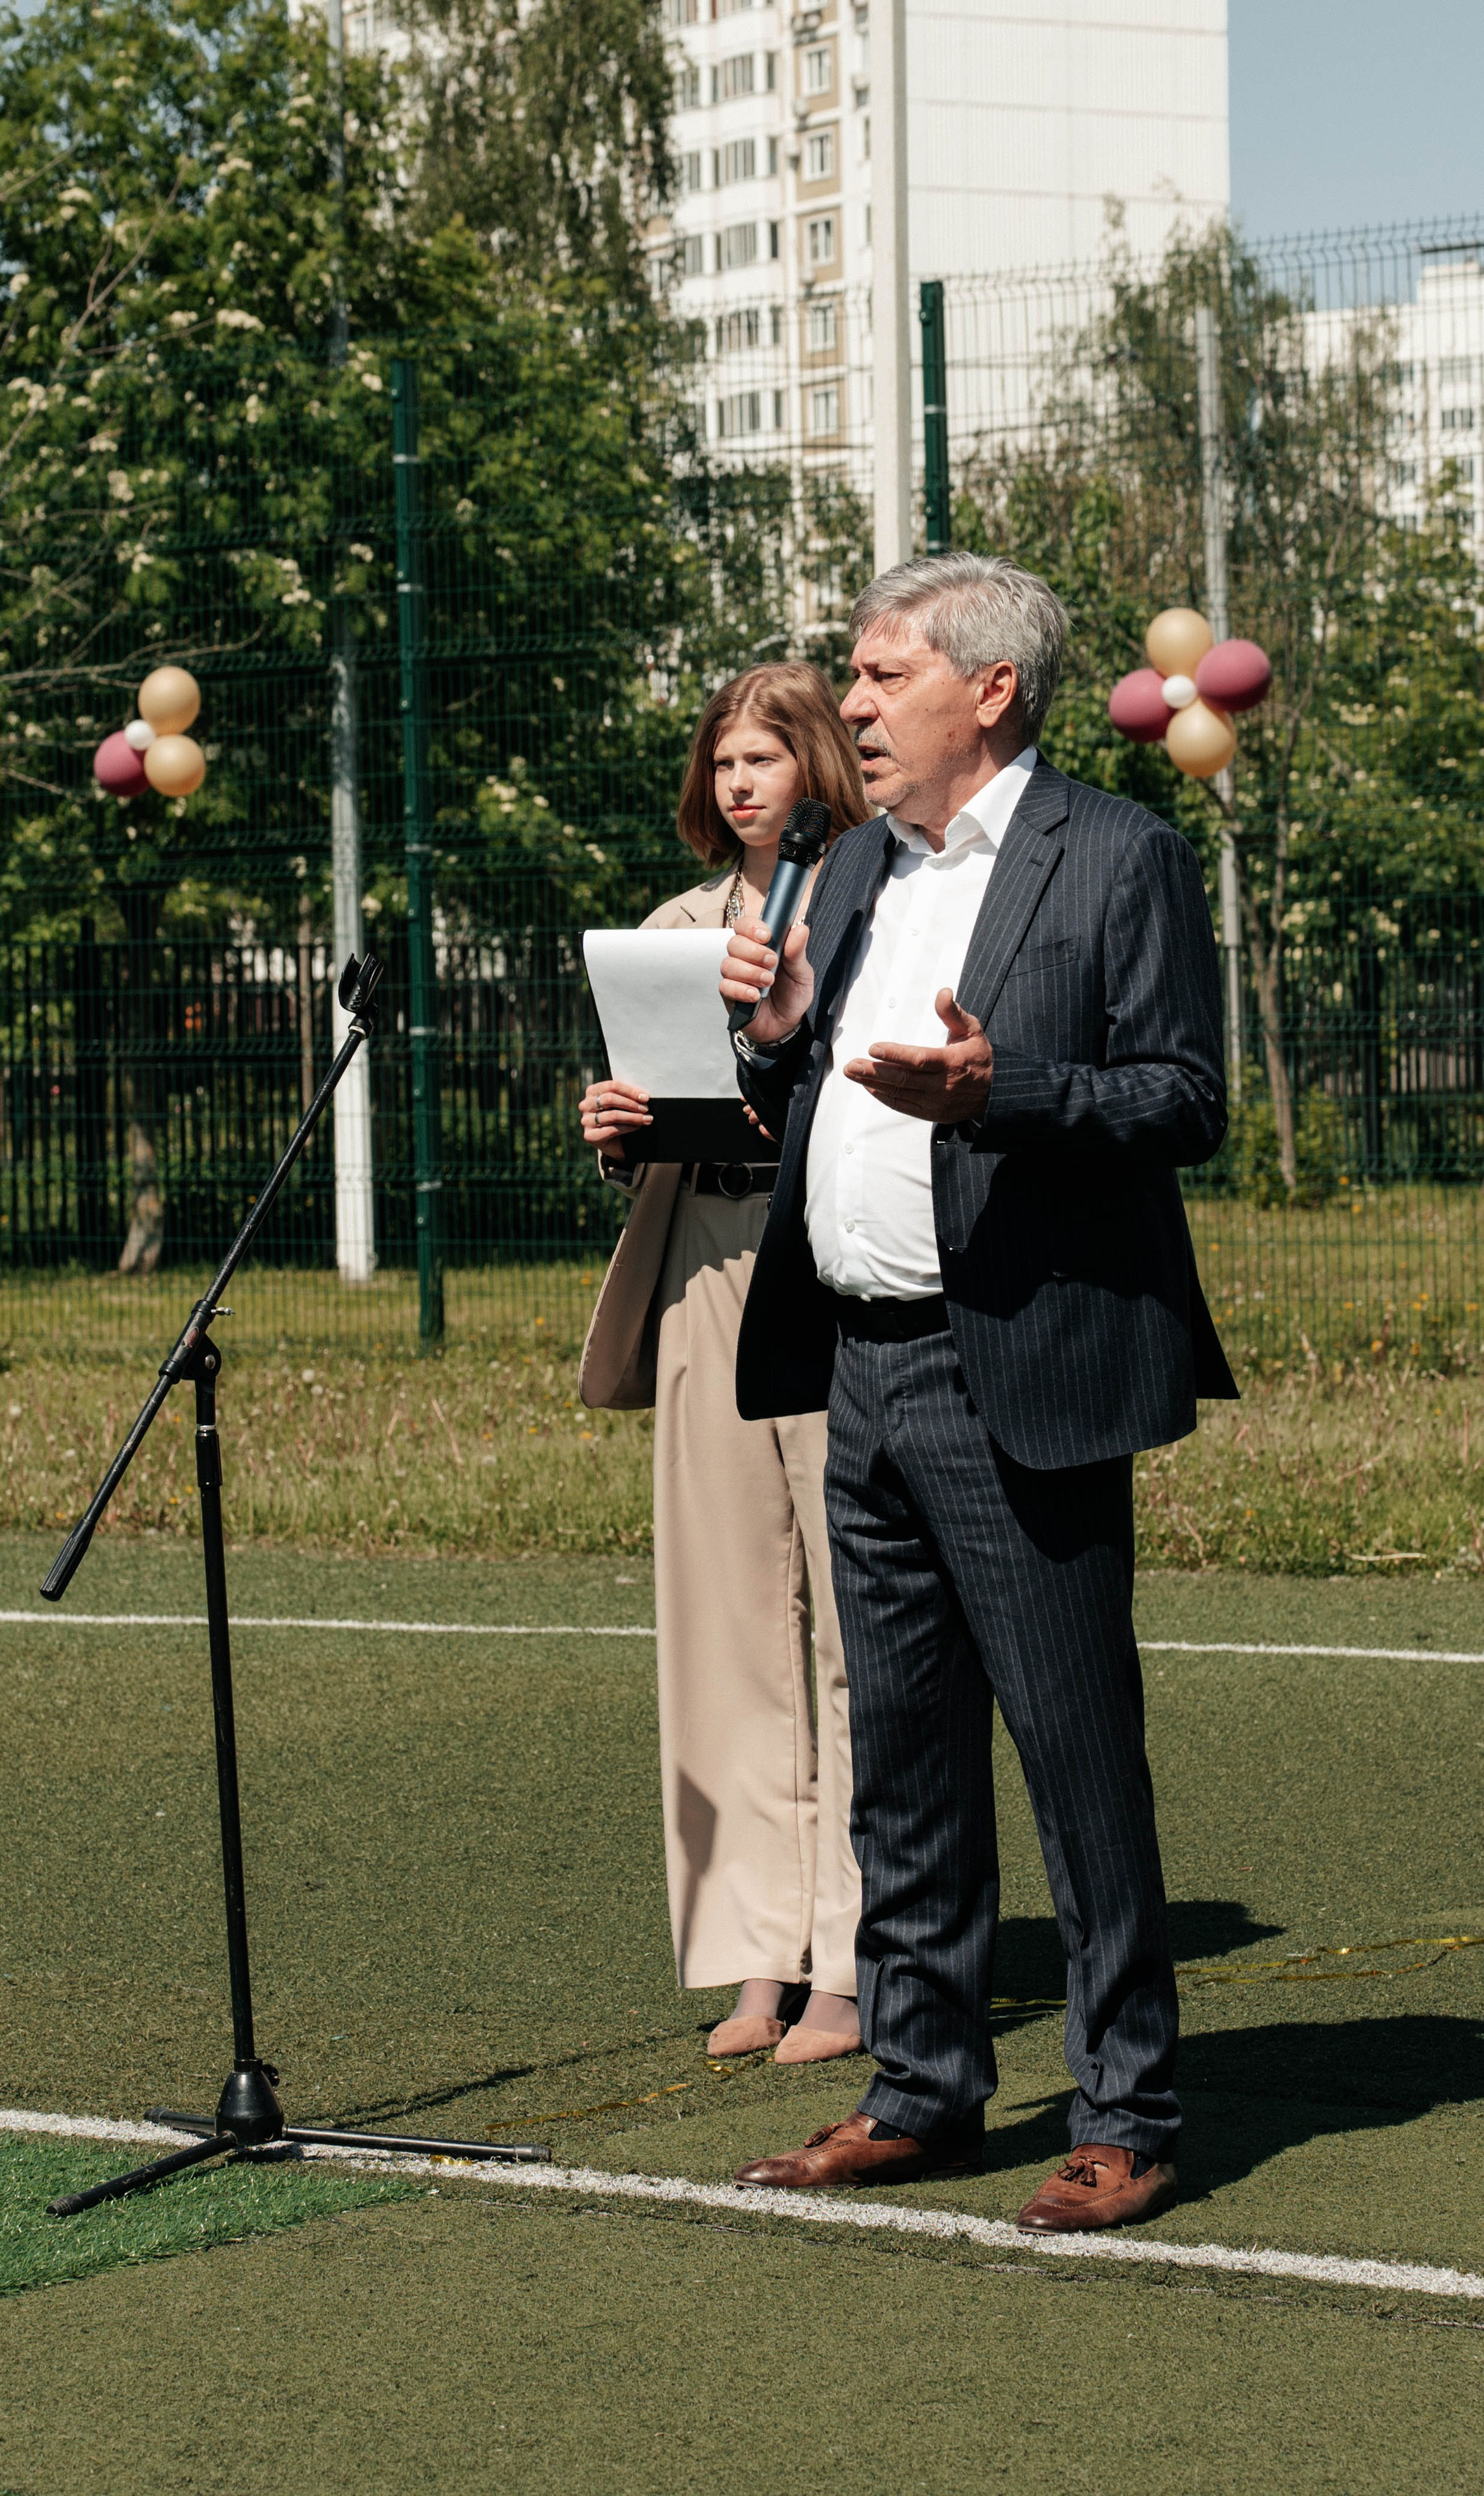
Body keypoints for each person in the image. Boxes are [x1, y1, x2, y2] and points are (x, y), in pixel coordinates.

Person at [718, 554, 1236, 2228]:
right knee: (905, 1761)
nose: (850, 706)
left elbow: (1181, 1097)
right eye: (853, 677)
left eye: (882, 676)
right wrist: (776, 1037)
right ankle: (921, 2088)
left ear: (990, 688)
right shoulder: (854, 862)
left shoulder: (1116, 854)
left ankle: (1125, 2110)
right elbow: (811, 1091)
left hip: (1016, 1360)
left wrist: (1003, 1090)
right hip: (857, 1364)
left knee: (1074, 1758)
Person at [578, 662, 871, 2062]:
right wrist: (615, 1127)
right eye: (723, 760)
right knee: (725, 1624)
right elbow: (656, 1111)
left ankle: (854, 1958)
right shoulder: (671, 930)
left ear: (818, 764)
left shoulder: (877, 903)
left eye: (764, 756)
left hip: (831, 1268)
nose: (739, 781)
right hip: (701, 1264)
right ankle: (757, 1953)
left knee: (857, 1624)